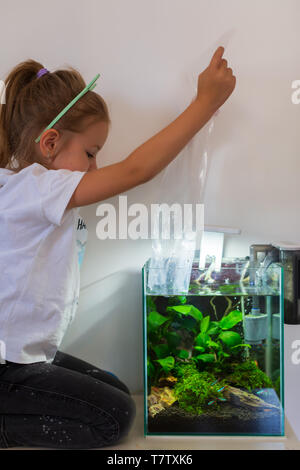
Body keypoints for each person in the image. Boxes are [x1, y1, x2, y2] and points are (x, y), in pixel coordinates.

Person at [0, 46, 236, 449]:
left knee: (116, 391)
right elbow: (136, 170)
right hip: (9, 366)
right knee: (114, 417)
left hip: (28, 357)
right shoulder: (34, 187)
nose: (94, 168)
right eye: (90, 153)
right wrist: (204, 103)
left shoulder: (27, 191)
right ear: (50, 142)